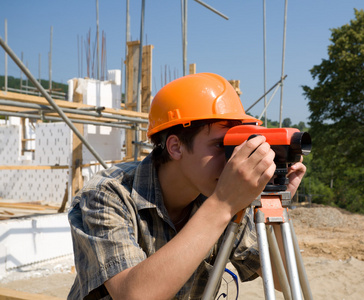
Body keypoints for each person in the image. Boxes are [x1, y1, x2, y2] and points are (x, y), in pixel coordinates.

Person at [68, 72, 307, 299]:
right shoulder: (107, 194)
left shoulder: (223, 194)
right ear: (176, 147)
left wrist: (274, 203)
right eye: (220, 145)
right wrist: (222, 205)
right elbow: (133, 295)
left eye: (236, 146)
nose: (232, 160)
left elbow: (284, 279)